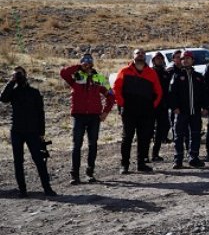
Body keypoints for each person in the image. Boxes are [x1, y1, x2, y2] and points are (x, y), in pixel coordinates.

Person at [1, 67, 57, 197]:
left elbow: (40, 113)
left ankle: (47, 188)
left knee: (39, 160)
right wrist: (12, 81)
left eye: (20, 74)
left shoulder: (34, 92)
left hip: (33, 131)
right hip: (16, 131)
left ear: (26, 75)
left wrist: (41, 132)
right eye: (16, 74)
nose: (19, 76)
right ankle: (22, 190)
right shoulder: (13, 92)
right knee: (18, 161)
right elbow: (3, 98)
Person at [60, 53, 115, 184]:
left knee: (93, 145)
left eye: (89, 61)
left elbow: (111, 96)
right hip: (79, 115)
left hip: (94, 116)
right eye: (84, 61)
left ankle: (90, 173)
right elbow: (63, 73)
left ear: (93, 63)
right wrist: (79, 66)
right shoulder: (76, 76)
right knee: (76, 145)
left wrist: (105, 112)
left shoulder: (99, 78)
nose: (87, 63)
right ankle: (75, 175)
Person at [113, 48, 162, 174]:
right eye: (137, 53)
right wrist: (122, 103)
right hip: (129, 111)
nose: (140, 55)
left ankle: (141, 163)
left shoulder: (151, 73)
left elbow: (159, 92)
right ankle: (124, 165)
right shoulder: (124, 71)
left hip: (145, 112)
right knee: (127, 138)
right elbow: (116, 89)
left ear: (146, 57)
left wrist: (152, 105)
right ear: (133, 56)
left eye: (142, 53)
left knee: (144, 138)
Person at [169, 50, 208, 169]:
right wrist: (174, 107)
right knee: (178, 136)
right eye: (182, 59)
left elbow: (204, 93)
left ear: (192, 60)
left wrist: (205, 107)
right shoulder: (176, 76)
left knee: (195, 135)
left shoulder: (198, 77)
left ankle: (193, 158)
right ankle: (178, 160)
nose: (185, 60)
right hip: (181, 112)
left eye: (187, 58)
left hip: (195, 111)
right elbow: (171, 93)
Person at [150, 52, 172, 162]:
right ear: (153, 60)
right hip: (151, 105)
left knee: (161, 130)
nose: (159, 60)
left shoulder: (165, 72)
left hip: (162, 106)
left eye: (160, 58)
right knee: (147, 130)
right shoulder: (149, 72)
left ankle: (155, 154)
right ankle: (144, 155)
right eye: (156, 59)